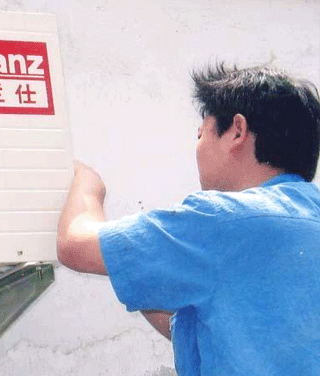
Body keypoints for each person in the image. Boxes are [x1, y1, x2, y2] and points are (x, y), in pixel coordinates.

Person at [57, 63, 320, 375]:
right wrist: (147, 271)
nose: (198, 149)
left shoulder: (221, 221)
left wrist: (87, 182)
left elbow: (75, 244)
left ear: (237, 131)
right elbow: (232, 335)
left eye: (201, 134)